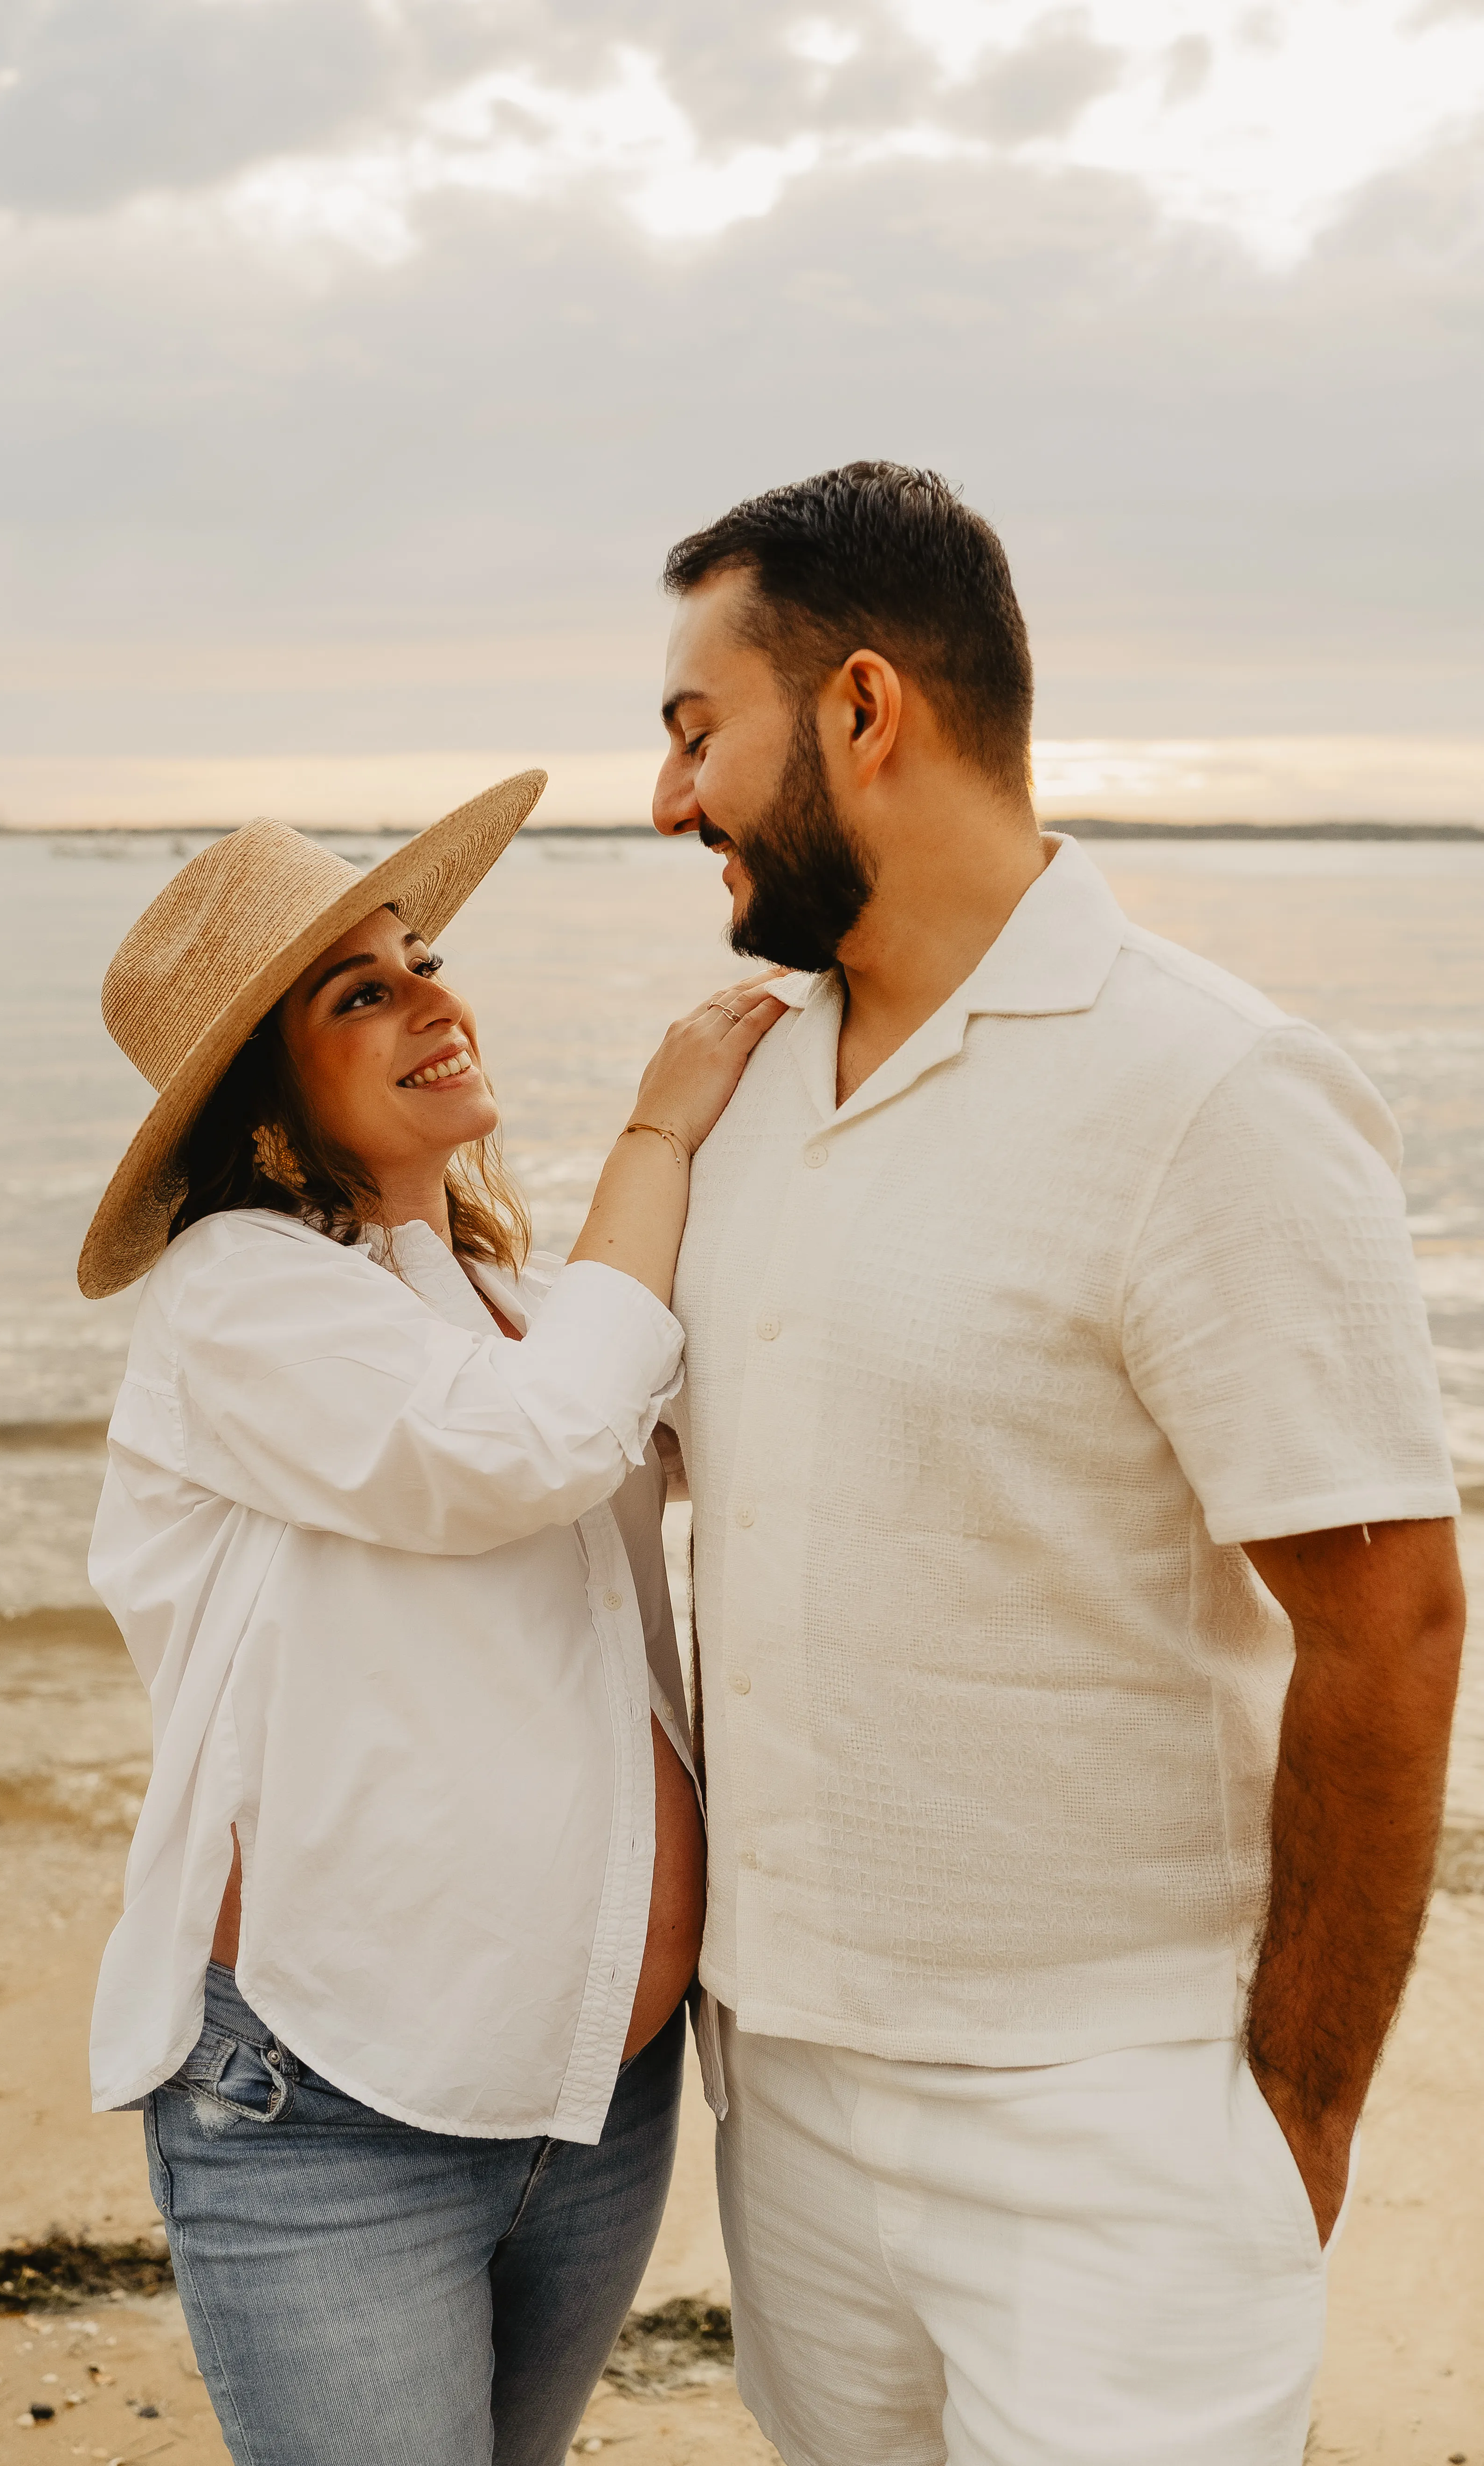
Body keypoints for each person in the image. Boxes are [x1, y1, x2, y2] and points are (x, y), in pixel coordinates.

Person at [649, 465, 1467, 2466]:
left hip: (1112, 2113)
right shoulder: (744, 1079)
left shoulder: (1210, 1087)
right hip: (791, 2095)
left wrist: (1291, 2104)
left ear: (858, 710)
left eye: (694, 731)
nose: (668, 798)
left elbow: (1388, 1616)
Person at [75, 772, 784, 2466]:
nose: (431, 1000)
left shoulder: (505, 1299)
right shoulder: (237, 1302)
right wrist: (661, 1132)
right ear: (267, 1092)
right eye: (361, 991)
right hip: (337, 2105)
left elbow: (715, 1431)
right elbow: (523, 1455)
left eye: (425, 958)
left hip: (599, 2098)